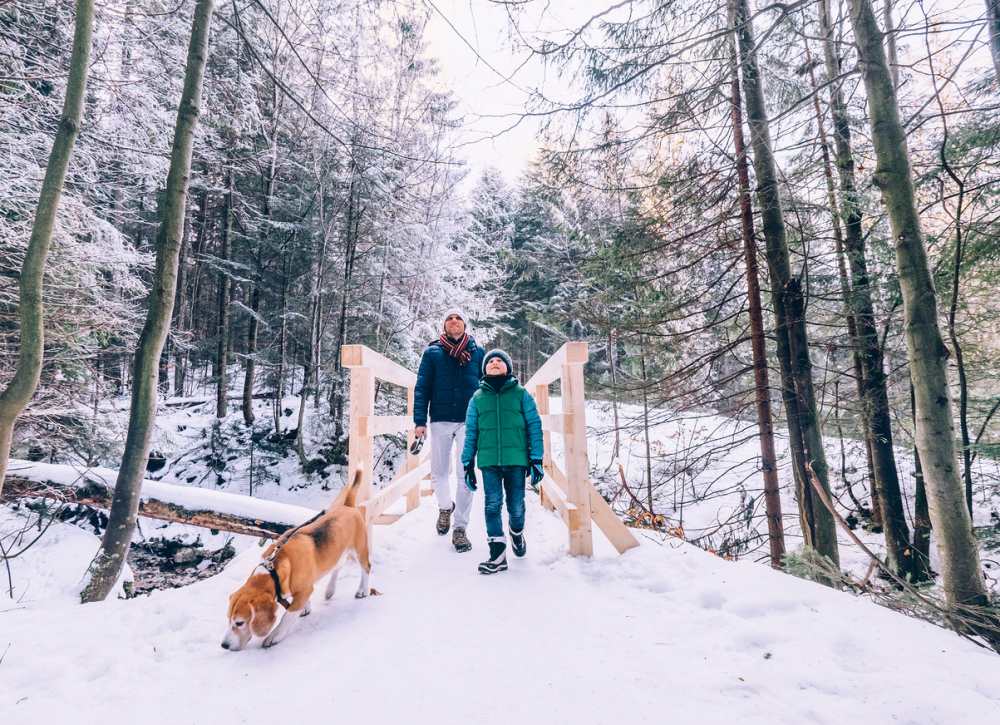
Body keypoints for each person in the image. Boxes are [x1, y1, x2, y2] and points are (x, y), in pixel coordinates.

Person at [460, 349, 544, 574]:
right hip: (489, 462)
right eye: (491, 361)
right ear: (484, 369)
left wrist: (536, 459)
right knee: (492, 505)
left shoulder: (521, 394)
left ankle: (516, 533)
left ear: (508, 367)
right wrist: (467, 463)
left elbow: (534, 426)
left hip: (517, 460)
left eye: (500, 361)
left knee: (516, 506)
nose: (495, 363)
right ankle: (497, 555)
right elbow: (471, 433)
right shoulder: (476, 398)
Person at [413, 309, 485, 552]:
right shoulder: (433, 353)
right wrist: (419, 421)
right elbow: (422, 387)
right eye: (449, 318)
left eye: (458, 318)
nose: (454, 321)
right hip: (440, 419)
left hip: (469, 420)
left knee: (466, 473)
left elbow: (487, 387)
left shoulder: (478, 353)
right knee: (438, 473)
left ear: (465, 325)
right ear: (444, 326)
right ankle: (445, 507)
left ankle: (460, 528)